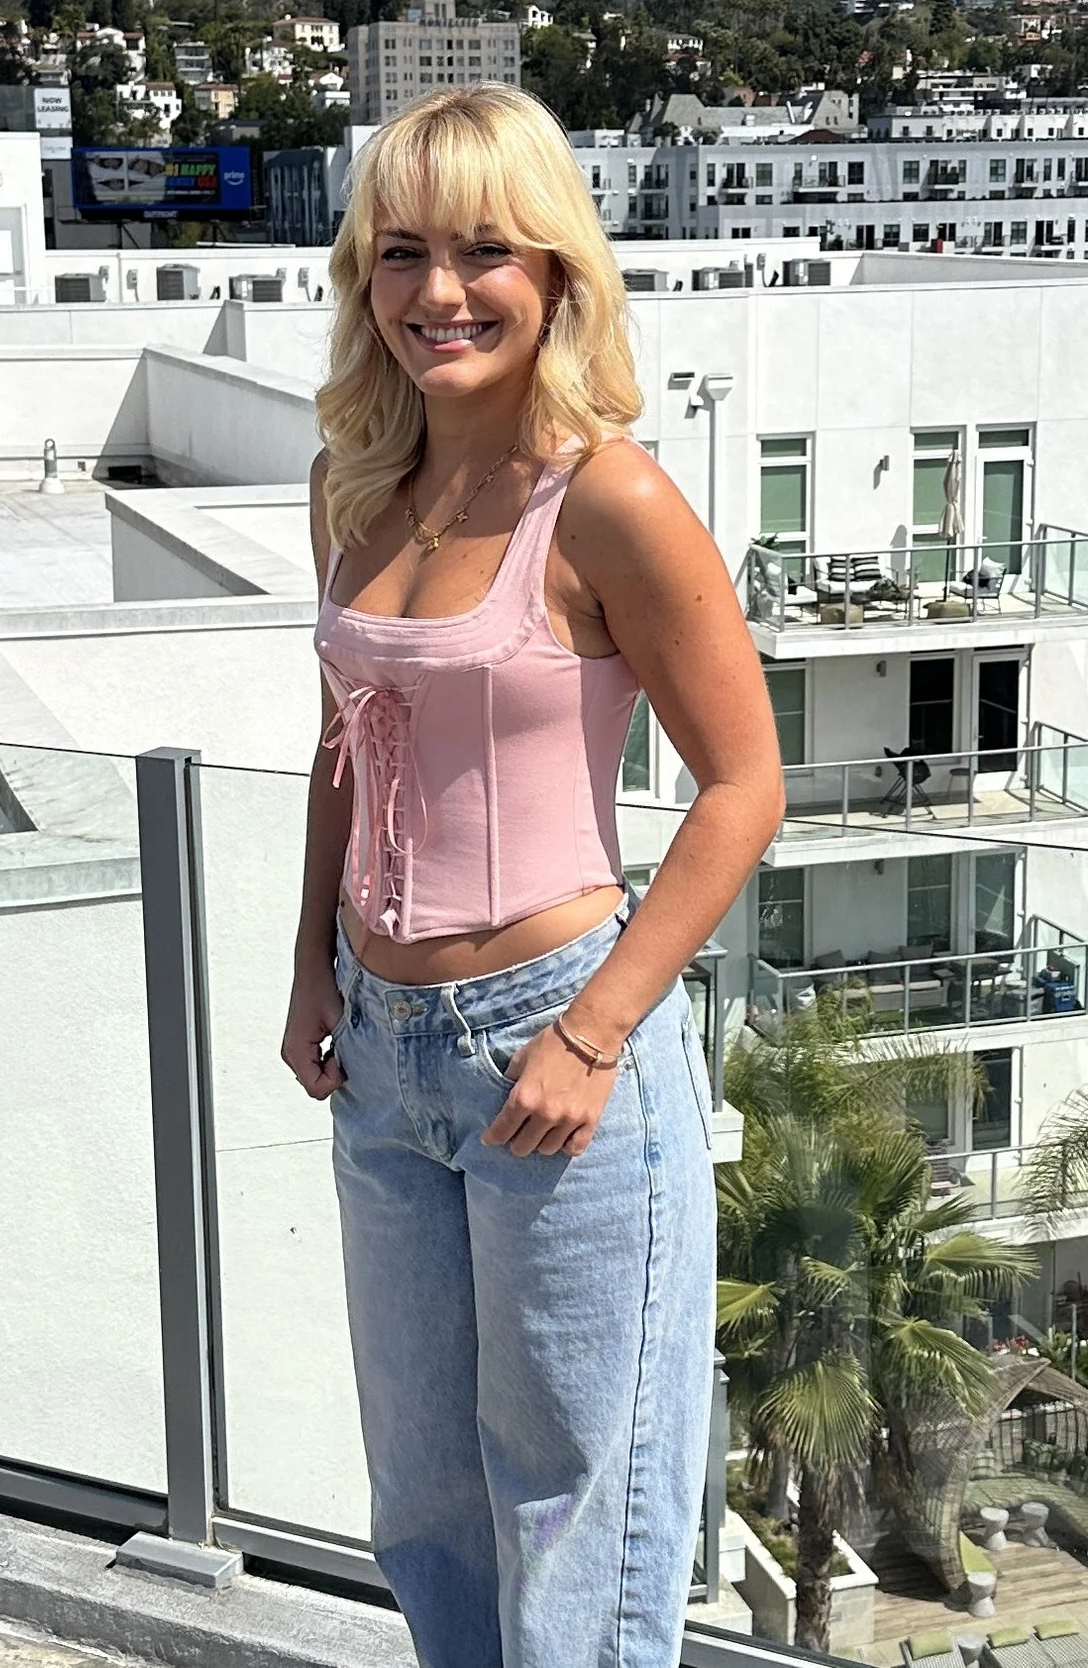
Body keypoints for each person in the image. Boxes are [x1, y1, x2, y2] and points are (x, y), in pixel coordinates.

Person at [280, 84, 782, 1668]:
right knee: (426, 1506)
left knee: (582, 1520)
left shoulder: (610, 498)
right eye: (403, 253)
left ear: (558, 271)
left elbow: (743, 785)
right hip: (382, 1052)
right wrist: (310, 966)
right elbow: (343, 751)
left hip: (552, 1046)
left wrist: (596, 1029)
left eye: (487, 250)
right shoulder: (350, 486)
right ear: (365, 276)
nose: (442, 292)